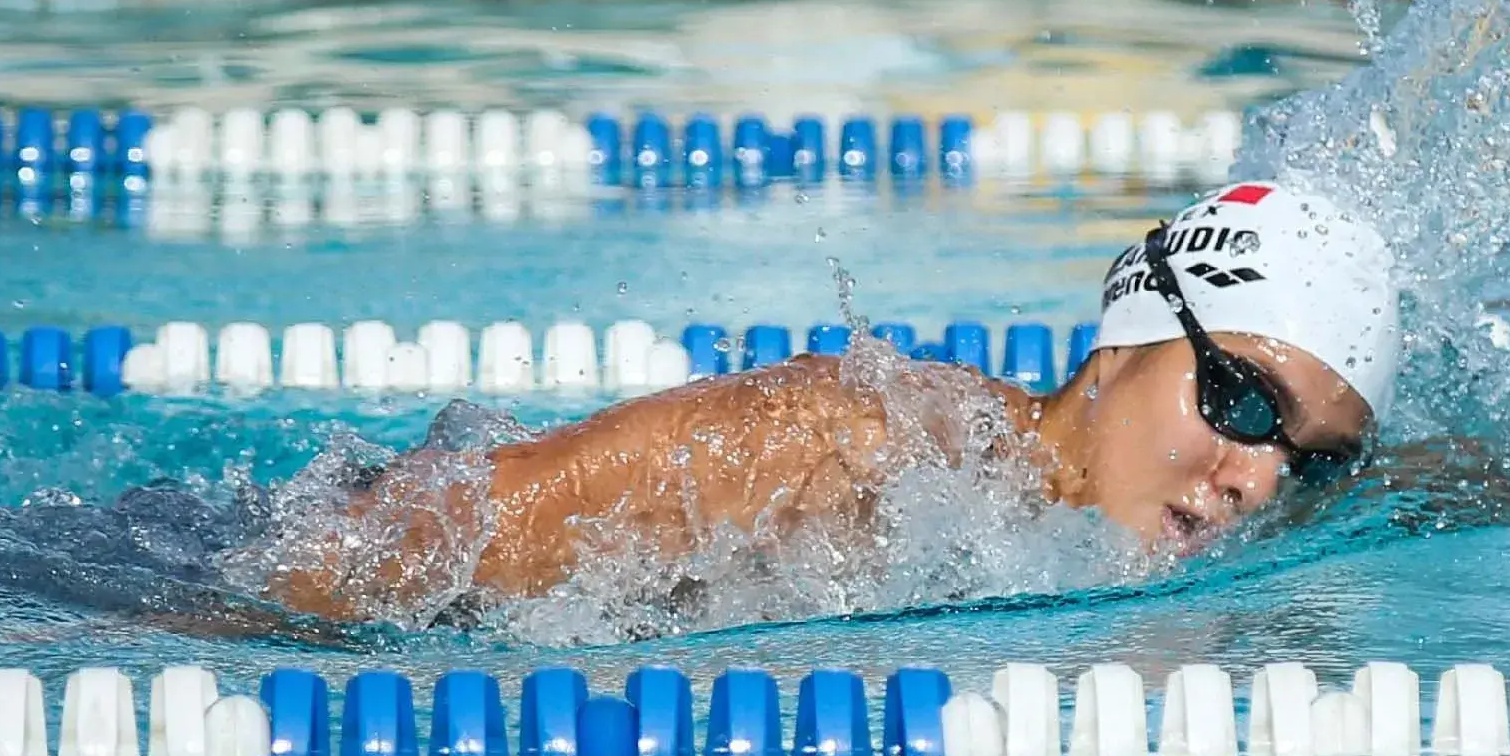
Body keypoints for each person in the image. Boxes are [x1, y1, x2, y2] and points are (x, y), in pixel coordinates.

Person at [256, 180, 1403, 624]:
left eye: (1318, 461)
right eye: (1244, 400)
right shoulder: (864, 444)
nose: (1258, 479)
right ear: (1118, 348)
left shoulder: (1098, 540)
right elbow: (381, 549)